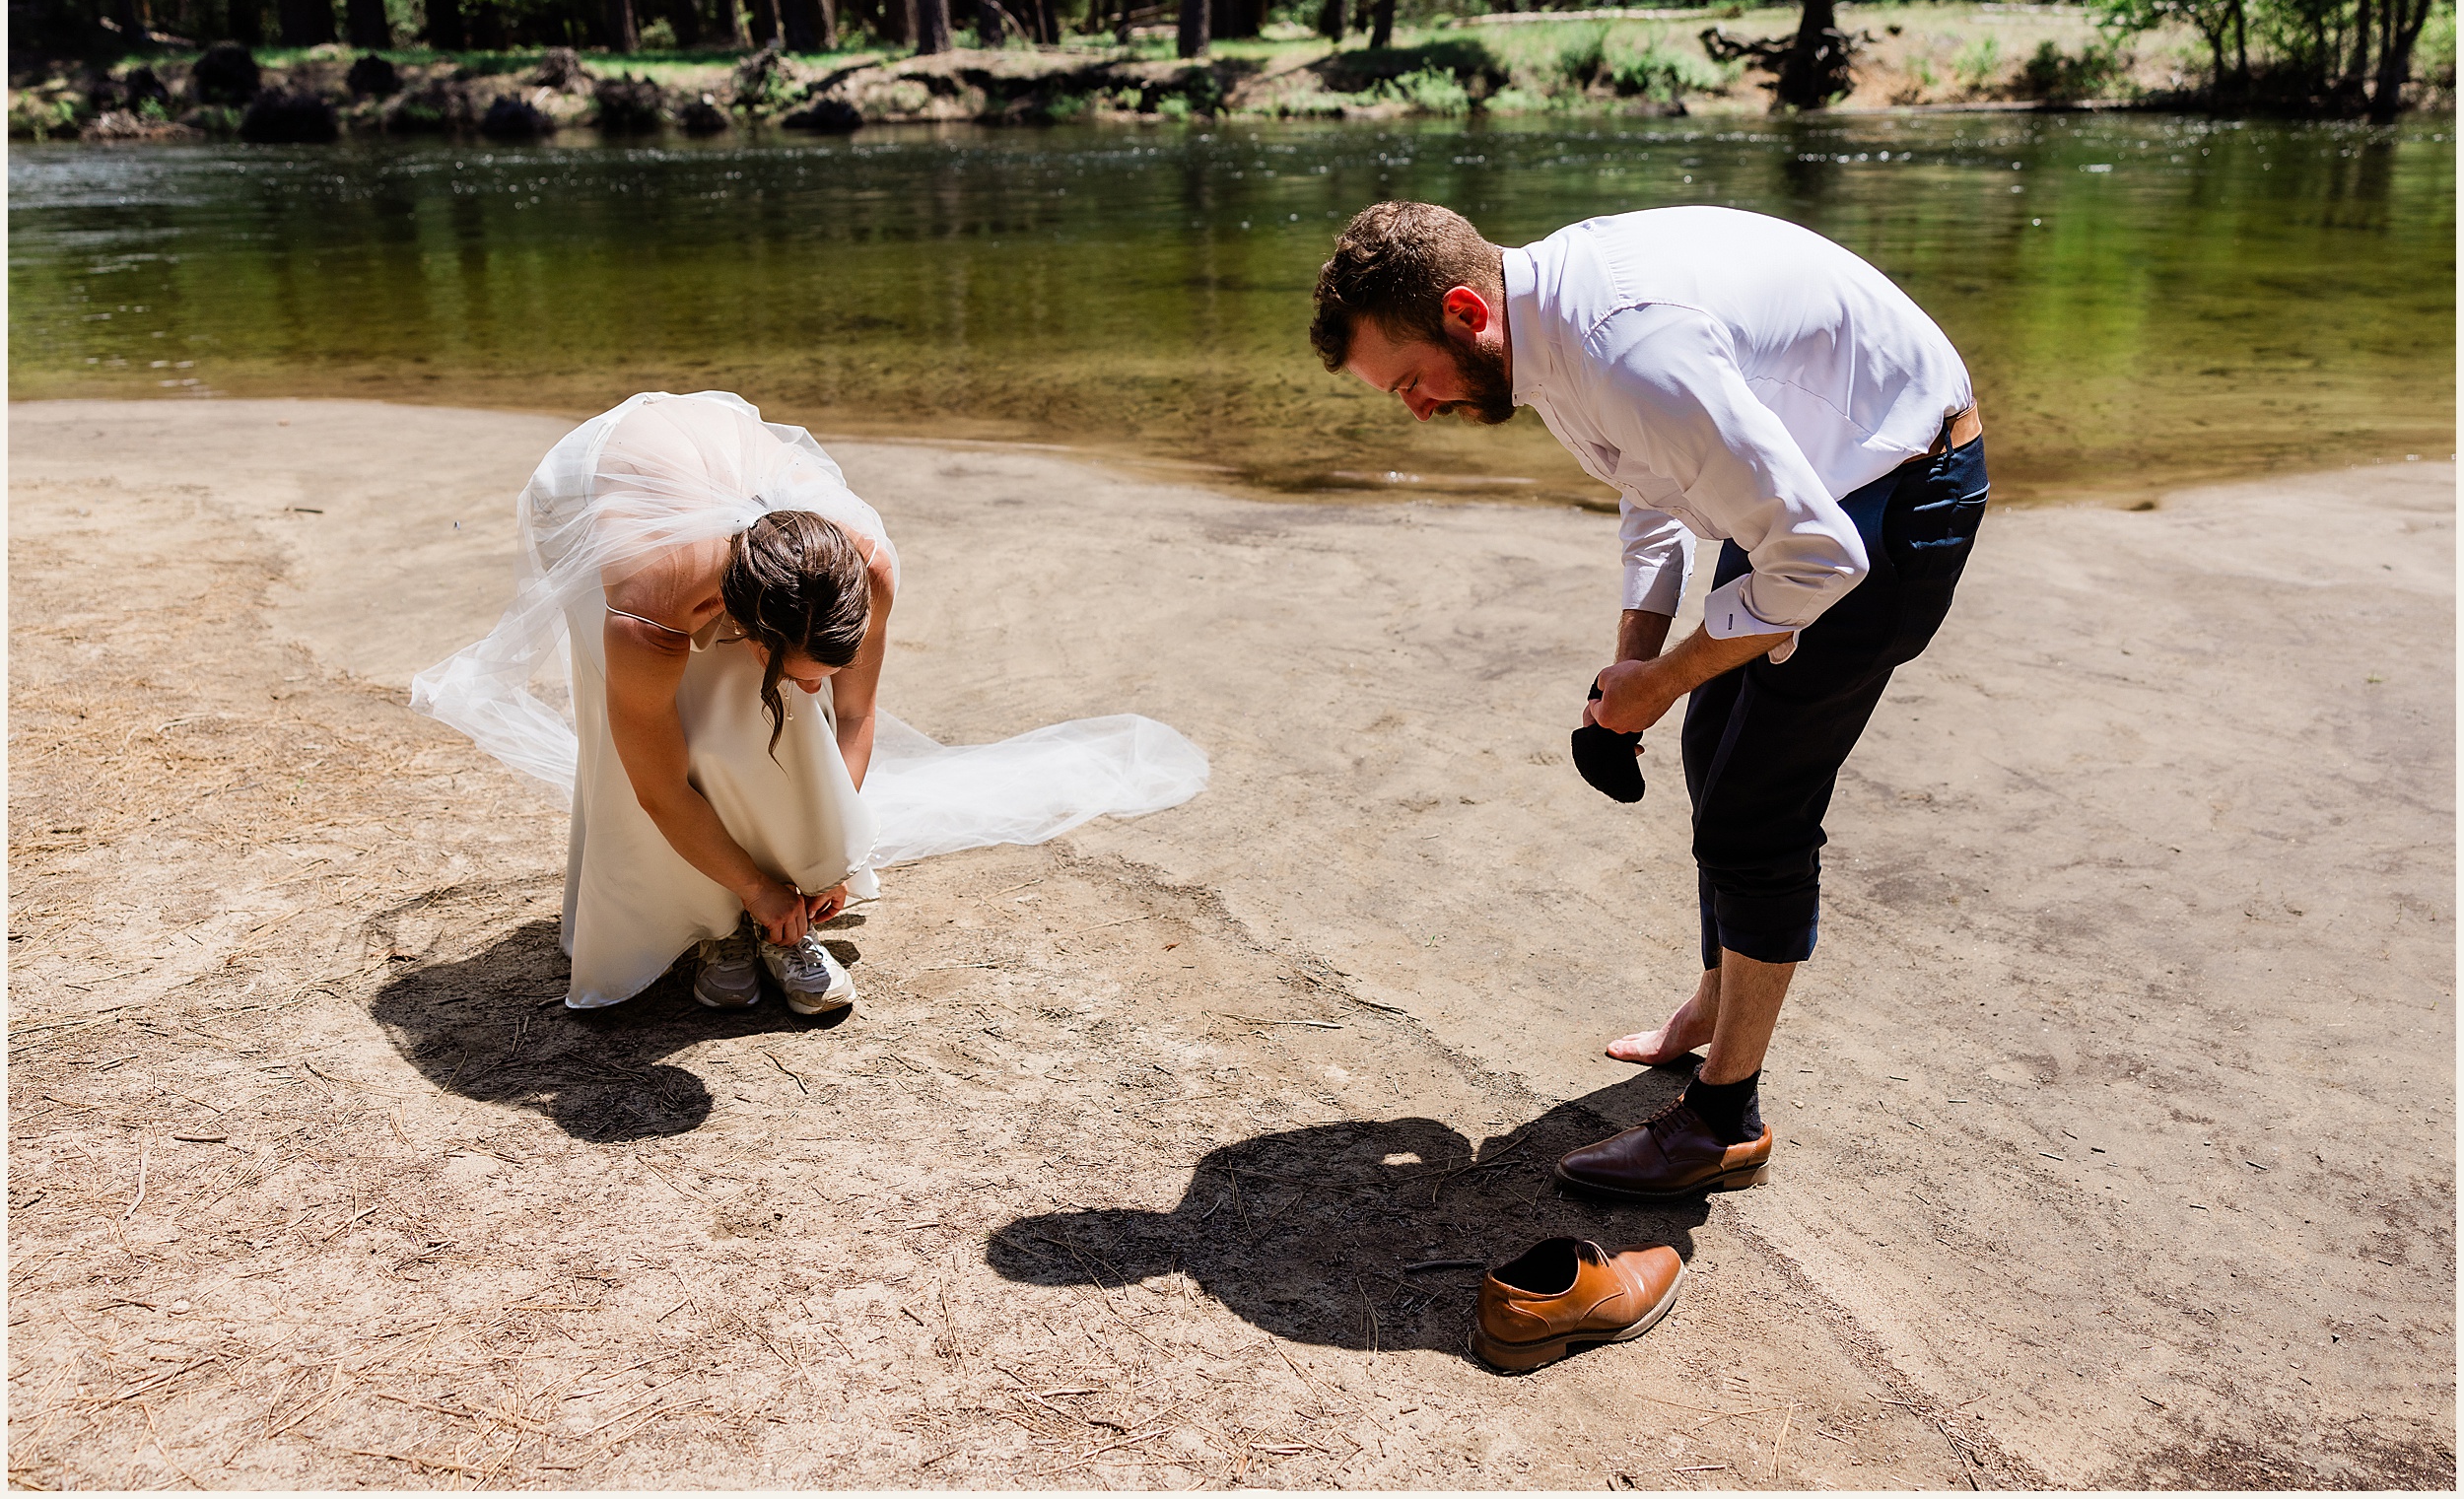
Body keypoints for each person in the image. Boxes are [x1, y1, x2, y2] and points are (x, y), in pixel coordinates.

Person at [1310, 202, 1987, 1199]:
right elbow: (1654, 482)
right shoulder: (1547, 334)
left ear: (1464, 312)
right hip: (1818, 475)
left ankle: (1723, 1122)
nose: (1414, 408)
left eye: (1411, 381)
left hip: (1896, 492)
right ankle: (1715, 1005)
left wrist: (1665, 675)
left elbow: (1822, 560)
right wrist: (1637, 660)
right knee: (1715, 745)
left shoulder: (1626, 347)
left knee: (1758, 807)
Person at [413, 390, 1207, 1014]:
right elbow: (656, 787)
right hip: (594, 490)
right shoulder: (647, 611)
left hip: (723, 472)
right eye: (798, 666)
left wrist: (832, 853)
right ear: (748, 632)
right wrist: (759, 887)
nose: (816, 688)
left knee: (778, 718)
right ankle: (716, 921)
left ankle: (771, 920)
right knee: (680, 727)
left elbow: (856, 719)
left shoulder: (867, 566)